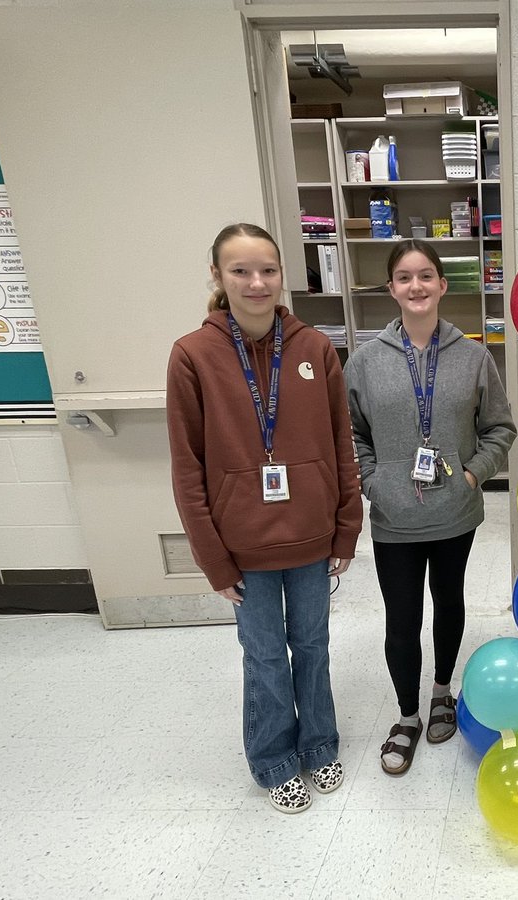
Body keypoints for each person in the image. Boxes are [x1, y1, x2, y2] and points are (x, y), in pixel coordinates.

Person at [166, 223, 363, 814]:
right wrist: (212, 557)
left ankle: (320, 744)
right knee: (266, 656)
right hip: (243, 544)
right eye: (241, 271)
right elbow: (187, 468)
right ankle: (274, 758)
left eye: (268, 270)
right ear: (218, 278)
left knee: (312, 644)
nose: (257, 283)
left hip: (311, 536)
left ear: (284, 276)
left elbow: (341, 443)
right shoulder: (192, 356)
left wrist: (346, 525)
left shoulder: (315, 349)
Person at [345, 239, 516, 776]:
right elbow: (351, 435)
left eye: (425, 276)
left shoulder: (474, 357)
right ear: (391, 288)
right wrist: (374, 483)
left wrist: (471, 475)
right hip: (394, 517)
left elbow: (500, 428)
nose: (415, 286)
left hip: (454, 513)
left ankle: (443, 690)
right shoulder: (366, 362)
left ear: (443, 285)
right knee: (402, 616)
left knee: (448, 602)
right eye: (403, 277)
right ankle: (406, 715)